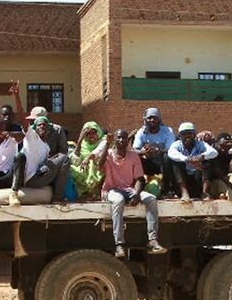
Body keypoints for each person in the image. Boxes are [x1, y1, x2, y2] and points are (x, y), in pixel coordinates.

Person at [95, 128, 167, 259]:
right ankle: (119, 244)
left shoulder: (133, 156)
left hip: (129, 189)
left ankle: (152, 240)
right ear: (114, 140)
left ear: (128, 141)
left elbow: (139, 178)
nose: (122, 140)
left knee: (151, 198)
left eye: (124, 138)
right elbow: (99, 165)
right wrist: (106, 143)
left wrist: (137, 194)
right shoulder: (109, 154)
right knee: (118, 201)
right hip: (111, 189)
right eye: (119, 138)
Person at [11, 117, 71, 205]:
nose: (42, 126)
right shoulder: (31, 137)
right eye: (39, 125)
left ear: (49, 130)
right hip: (30, 179)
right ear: (35, 129)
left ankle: (57, 195)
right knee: (64, 159)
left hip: (38, 177)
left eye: (45, 125)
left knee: (61, 159)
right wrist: (18, 103)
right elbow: (22, 120)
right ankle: (58, 198)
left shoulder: (46, 147)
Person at [132, 108, 177, 198]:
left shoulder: (167, 131)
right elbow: (135, 150)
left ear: (159, 119)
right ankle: (138, 186)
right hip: (148, 161)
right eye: (149, 118)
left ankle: (167, 188)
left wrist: (157, 150)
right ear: (145, 120)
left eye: (155, 118)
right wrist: (143, 152)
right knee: (135, 157)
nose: (152, 120)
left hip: (163, 163)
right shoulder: (141, 132)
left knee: (167, 157)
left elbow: (171, 149)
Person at [167, 122, 218, 201]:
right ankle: (184, 192)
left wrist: (201, 156)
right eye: (184, 134)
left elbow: (214, 152)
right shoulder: (176, 145)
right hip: (182, 181)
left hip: (197, 181)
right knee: (175, 162)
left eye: (190, 133)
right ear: (180, 136)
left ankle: (205, 193)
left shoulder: (200, 144)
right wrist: (187, 159)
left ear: (194, 135)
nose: (187, 136)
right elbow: (171, 153)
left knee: (207, 160)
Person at [70, 121, 106, 199]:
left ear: (98, 132)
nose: (91, 136)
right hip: (84, 172)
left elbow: (98, 152)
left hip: (99, 171)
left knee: (92, 163)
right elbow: (75, 160)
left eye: (93, 133)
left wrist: (88, 158)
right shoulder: (83, 144)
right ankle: (85, 193)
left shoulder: (104, 141)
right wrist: (80, 140)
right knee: (70, 168)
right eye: (88, 134)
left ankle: (97, 193)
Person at [208, 133, 232, 200]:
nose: (223, 149)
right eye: (221, 146)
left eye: (227, 147)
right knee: (222, 184)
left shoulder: (226, 153)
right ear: (216, 143)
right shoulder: (211, 154)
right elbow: (222, 177)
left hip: (224, 181)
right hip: (212, 183)